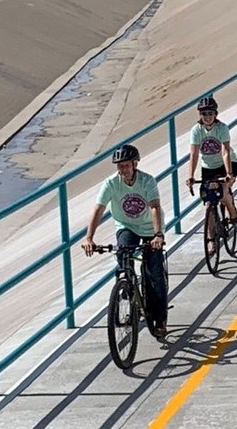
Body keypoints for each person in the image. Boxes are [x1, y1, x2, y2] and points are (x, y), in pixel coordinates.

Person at [81, 144, 169, 338]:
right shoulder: (111, 183)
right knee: (123, 253)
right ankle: (127, 290)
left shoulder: (147, 181)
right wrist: (89, 238)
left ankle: (160, 319)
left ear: (135, 164)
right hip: (126, 226)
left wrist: (158, 234)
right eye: (120, 166)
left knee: (154, 272)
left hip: (149, 227)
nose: (123, 169)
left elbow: (154, 207)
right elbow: (98, 209)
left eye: (127, 165)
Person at [185, 97, 237, 252]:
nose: (207, 116)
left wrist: (228, 173)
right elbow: (194, 154)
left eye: (210, 113)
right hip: (208, 167)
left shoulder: (222, 128)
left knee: (223, 194)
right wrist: (190, 175)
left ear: (215, 114)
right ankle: (211, 240)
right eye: (203, 113)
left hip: (226, 164)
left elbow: (225, 151)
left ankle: (233, 212)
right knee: (209, 202)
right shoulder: (196, 130)